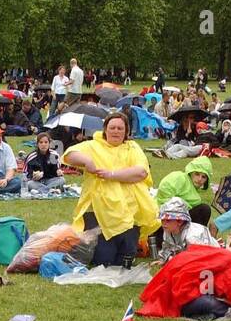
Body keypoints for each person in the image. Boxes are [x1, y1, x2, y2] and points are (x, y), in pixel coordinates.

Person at [62, 111, 157, 266]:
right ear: (105, 129)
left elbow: (140, 172)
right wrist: (87, 161)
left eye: (120, 128)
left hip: (129, 209)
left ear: (126, 131)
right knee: (104, 261)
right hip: (99, 210)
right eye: (112, 127)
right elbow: (69, 155)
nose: (116, 131)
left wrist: (111, 175)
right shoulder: (93, 145)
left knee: (124, 261)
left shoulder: (132, 148)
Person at [155, 197, 219, 262]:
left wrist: (175, 260)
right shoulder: (168, 231)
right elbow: (167, 247)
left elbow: (197, 259)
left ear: (180, 221)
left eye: (168, 220)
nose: (164, 223)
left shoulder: (192, 236)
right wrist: (163, 259)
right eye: (162, 220)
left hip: (211, 256)